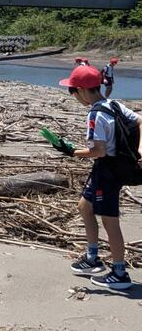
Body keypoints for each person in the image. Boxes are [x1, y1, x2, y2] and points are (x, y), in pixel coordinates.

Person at [57, 65, 141, 290]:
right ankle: (92, 258)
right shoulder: (114, 104)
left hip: (108, 172)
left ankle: (120, 272)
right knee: (84, 206)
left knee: (109, 221)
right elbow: (140, 121)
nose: (74, 96)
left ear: (82, 90)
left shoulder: (96, 114)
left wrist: (71, 152)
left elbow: (99, 151)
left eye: (73, 91)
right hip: (107, 169)